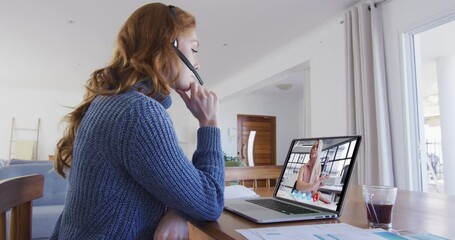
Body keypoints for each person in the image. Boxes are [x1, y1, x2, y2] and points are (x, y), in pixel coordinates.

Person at [50, 3, 224, 239]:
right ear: (169, 44)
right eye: (193, 49)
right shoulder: (139, 113)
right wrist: (209, 123)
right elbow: (210, 202)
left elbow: (181, 189)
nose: (197, 63)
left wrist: (179, 209)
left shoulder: (114, 103)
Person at [295, 140, 331, 204]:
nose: (314, 149)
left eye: (317, 147)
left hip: (308, 199)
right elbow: (298, 186)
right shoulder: (303, 167)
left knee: (319, 194)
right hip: (299, 197)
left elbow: (313, 191)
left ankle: (320, 196)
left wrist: (318, 186)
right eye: (313, 147)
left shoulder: (318, 168)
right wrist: (316, 183)